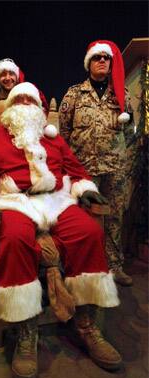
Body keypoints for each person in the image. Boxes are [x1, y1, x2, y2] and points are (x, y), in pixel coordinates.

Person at [0, 82, 122, 378]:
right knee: (15, 239)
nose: (25, 103)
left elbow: (75, 169)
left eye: (31, 99)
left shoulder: (53, 140)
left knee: (89, 232)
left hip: (55, 199)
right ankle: (25, 331)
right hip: (14, 201)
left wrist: (85, 189)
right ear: (10, 107)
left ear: (40, 109)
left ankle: (85, 324)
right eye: (19, 99)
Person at [59, 40, 134, 287]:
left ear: (111, 63)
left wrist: (122, 159)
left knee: (114, 218)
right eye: (97, 57)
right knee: (83, 219)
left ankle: (114, 266)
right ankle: (83, 267)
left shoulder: (121, 95)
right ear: (88, 63)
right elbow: (65, 132)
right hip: (84, 172)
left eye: (106, 57)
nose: (102, 60)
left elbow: (131, 134)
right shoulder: (73, 95)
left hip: (115, 170)